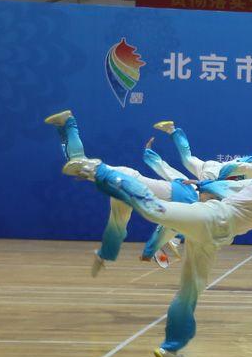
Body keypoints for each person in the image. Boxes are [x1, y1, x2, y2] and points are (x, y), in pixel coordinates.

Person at [53, 110, 252, 357]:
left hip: (216, 237)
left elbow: (238, 188)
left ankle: (171, 348)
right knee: (155, 211)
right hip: (214, 218)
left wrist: (203, 183)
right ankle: (95, 168)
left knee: (191, 289)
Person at [45, 110, 185, 276]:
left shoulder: (190, 202)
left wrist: (170, 241)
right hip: (126, 180)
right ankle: (68, 122)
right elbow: (173, 221)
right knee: (78, 164)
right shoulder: (190, 193)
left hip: (126, 194)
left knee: (117, 224)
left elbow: (173, 222)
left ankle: (104, 255)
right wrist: (157, 247)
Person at [152, 120, 252, 181]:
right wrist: (218, 179)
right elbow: (233, 167)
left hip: (212, 167)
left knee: (187, 159)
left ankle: (171, 129)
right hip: (214, 175)